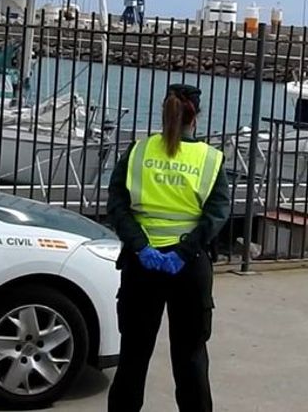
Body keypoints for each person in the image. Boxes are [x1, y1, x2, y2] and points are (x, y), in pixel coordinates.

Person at [105, 83, 231, 412]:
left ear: (164, 114)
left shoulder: (137, 152)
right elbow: (217, 214)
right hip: (188, 268)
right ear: (196, 118)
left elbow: (117, 204)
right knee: (191, 359)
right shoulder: (210, 159)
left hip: (141, 266)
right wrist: (184, 252)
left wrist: (141, 246)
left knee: (132, 357)